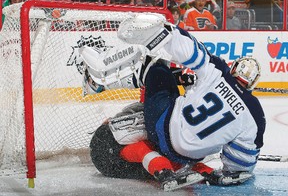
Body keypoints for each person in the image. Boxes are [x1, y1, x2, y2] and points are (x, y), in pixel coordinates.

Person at [83, 13, 265, 190]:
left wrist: (166, 32)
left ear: (234, 67)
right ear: (252, 83)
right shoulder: (255, 114)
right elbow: (241, 160)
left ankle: (97, 81)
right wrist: (232, 171)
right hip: (189, 155)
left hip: (162, 129)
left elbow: (192, 51)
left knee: (155, 66)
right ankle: (184, 164)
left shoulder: (219, 71)